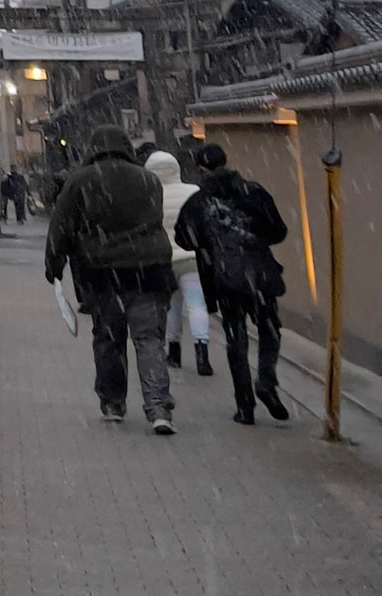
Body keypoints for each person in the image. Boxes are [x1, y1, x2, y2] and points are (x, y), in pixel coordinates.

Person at [44, 123, 176, 435]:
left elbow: (62, 225)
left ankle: (113, 403)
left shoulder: (81, 180)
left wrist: (54, 263)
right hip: (149, 269)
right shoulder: (148, 180)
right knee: (149, 340)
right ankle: (159, 408)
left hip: (103, 272)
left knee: (109, 338)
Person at [176, 138, 289, 426]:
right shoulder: (253, 191)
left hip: (225, 277)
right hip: (260, 275)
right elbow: (278, 231)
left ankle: (245, 406)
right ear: (225, 163)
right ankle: (266, 380)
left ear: (202, 169)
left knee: (236, 339)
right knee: (269, 330)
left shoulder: (198, 203)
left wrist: (211, 242)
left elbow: (184, 239)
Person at [144, 147, 211, 378]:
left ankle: (174, 351)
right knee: (197, 305)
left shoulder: (149, 197)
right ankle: (202, 353)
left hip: (164, 261)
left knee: (172, 307)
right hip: (192, 259)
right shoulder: (194, 192)